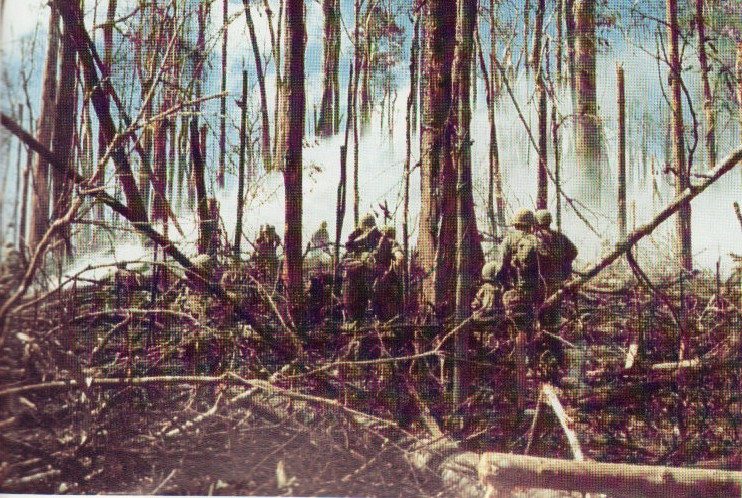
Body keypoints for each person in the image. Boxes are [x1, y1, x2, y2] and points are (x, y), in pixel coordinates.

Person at [531, 209, 578, 380]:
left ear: (536, 222)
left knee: (536, 320)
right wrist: (564, 267)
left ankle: (540, 358)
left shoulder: (534, 239)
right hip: (557, 287)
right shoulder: (560, 237)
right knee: (554, 321)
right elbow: (574, 252)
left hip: (539, 287)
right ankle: (556, 357)